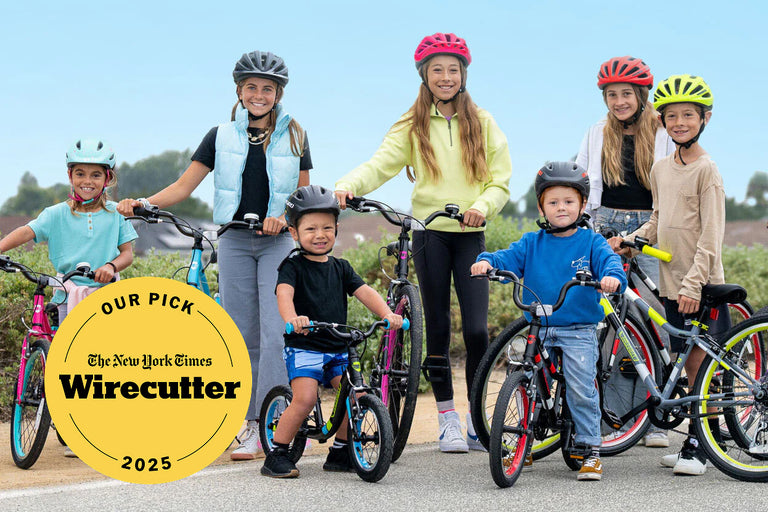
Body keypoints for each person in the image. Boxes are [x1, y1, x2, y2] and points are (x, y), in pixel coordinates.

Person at [117, 51, 311, 460]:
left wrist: (283, 218)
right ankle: (247, 425)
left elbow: (304, 198)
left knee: (276, 334)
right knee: (240, 336)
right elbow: (184, 186)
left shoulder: (296, 135)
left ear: (278, 94)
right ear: (239, 91)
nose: (259, 95)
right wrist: (142, 202)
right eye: (252, 87)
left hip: (277, 243)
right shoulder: (219, 136)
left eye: (267, 89)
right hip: (235, 241)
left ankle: (275, 420)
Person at [335, 32, 512, 453]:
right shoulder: (412, 123)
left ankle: (475, 420)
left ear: (463, 75)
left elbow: (500, 180)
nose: (446, 77)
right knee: (435, 329)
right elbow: (381, 164)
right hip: (428, 233)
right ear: (425, 76)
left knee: (474, 332)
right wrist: (346, 186)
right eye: (437, 70)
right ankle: (447, 419)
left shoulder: (483, 122)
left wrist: (483, 206)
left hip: (470, 234)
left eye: (453, 70)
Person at [471, 161, 626, 481]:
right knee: (522, 377)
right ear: (541, 205)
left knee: (582, 386)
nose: (561, 208)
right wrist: (487, 262)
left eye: (569, 201)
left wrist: (611, 277)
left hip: (578, 328)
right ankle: (523, 439)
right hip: (538, 326)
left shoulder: (591, 243)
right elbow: (506, 258)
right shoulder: (532, 242)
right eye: (553, 202)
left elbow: (610, 263)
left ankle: (590, 449)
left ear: (582, 205)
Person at [609, 75, 726, 476]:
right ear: (661, 121)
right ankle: (695, 440)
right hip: (673, 279)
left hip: (701, 281)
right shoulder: (661, 168)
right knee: (683, 356)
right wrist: (628, 239)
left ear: (704, 118)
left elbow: (711, 236)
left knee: (698, 365)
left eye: (688, 116)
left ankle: (701, 446)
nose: (679, 122)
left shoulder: (707, 170)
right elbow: (658, 220)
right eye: (671, 116)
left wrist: (696, 283)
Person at [0, 137, 138, 457]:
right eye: (80, 174)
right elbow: (26, 231)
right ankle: (70, 420)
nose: (87, 182)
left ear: (108, 179)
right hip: (68, 292)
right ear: (70, 176)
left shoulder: (116, 214)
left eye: (95, 175)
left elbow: (127, 254)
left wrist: (110, 265)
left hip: (105, 295)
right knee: (68, 356)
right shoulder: (56, 214)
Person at [261, 185, 402, 478]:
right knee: (305, 399)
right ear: (294, 233)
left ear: (337, 229)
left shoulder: (341, 267)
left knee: (352, 393)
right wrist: (293, 319)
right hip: (304, 346)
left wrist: (388, 314)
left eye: (327, 227)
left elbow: (365, 292)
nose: (320, 234)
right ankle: (277, 453)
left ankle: (339, 450)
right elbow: (284, 295)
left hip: (338, 347)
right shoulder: (292, 266)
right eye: (311, 228)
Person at [576, 55, 675, 448]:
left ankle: (659, 414)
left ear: (641, 94)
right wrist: (580, 221)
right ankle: (616, 413)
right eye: (612, 95)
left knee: (652, 314)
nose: (619, 101)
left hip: (651, 224)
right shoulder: (597, 132)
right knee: (608, 319)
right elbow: (583, 179)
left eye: (626, 94)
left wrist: (649, 231)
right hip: (606, 225)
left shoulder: (664, 130)